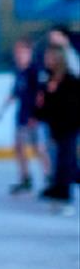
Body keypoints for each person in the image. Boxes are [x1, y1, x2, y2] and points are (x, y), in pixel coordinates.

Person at [0, 38, 51, 194]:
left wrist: (36, 115)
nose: (18, 55)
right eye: (17, 52)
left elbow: (41, 95)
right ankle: (25, 178)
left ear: (29, 53)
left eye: (22, 52)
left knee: (39, 148)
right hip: (22, 115)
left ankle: (49, 177)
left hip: (34, 116)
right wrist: (3, 108)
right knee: (19, 147)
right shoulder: (19, 71)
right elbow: (15, 92)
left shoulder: (35, 71)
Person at [36, 44, 79, 215]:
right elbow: (43, 104)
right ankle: (58, 193)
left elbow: (72, 106)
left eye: (50, 57)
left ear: (58, 59)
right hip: (54, 128)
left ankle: (66, 199)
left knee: (65, 163)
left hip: (68, 127)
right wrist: (38, 114)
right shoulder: (47, 79)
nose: (46, 60)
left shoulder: (70, 80)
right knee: (58, 163)